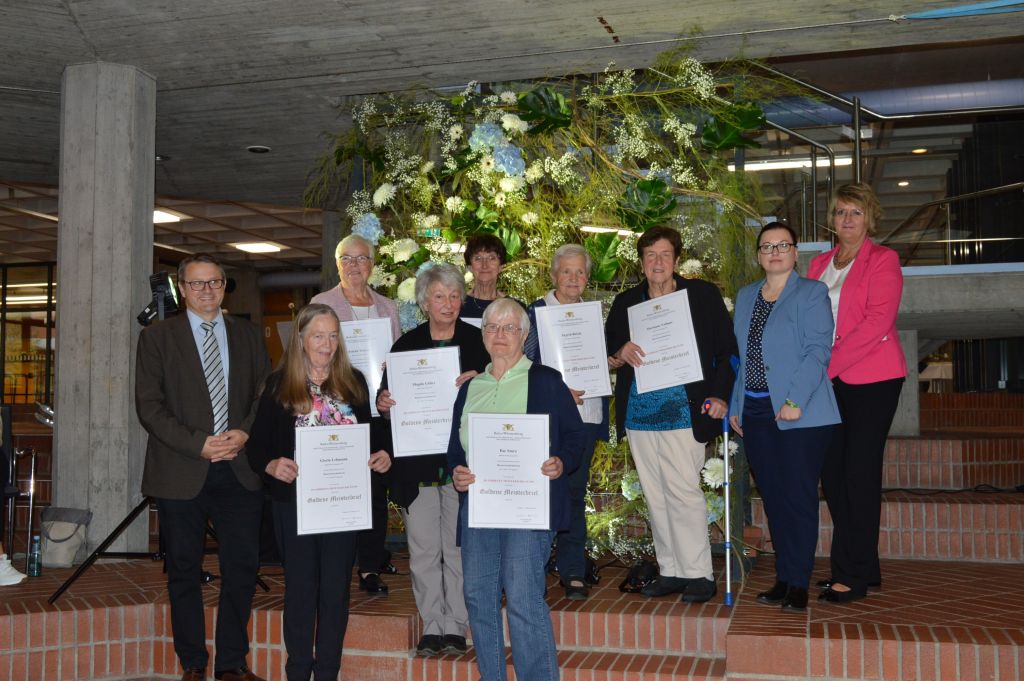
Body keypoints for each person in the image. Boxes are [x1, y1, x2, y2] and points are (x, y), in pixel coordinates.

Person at [135, 253, 271, 681]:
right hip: (181, 469)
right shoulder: (157, 337)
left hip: (240, 468)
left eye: (214, 282)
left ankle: (232, 662)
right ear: (182, 289)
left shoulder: (249, 334)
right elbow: (149, 408)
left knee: (242, 569)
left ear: (225, 285)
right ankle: (193, 662)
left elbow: (265, 394)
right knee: (183, 571)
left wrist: (245, 433)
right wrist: (200, 445)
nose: (207, 290)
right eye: (197, 284)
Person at [247, 304, 392, 681]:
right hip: (294, 506)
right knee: (300, 591)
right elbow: (257, 446)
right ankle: (297, 672)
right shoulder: (280, 386)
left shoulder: (355, 383)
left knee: (335, 593)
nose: (326, 344)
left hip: (343, 505)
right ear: (300, 339)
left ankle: (327, 672)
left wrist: (382, 455)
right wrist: (271, 465)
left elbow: (376, 438)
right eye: (318, 336)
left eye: (332, 335)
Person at [448, 298, 585, 681]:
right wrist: (457, 471)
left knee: (524, 599)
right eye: (492, 327)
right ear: (483, 334)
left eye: (510, 328)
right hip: (479, 506)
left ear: (524, 336)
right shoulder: (470, 386)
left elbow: (575, 437)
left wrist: (559, 462)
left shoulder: (545, 380)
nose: (500, 335)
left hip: (528, 508)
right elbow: (456, 447)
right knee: (478, 599)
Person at [604, 225, 737, 603]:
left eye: (664, 255)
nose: (657, 262)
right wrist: (620, 353)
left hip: (684, 408)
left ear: (676, 260)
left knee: (682, 491)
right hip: (640, 413)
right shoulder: (625, 303)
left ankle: (699, 573)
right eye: (649, 256)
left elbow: (727, 351)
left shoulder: (701, 295)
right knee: (654, 494)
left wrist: (720, 396)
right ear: (642, 263)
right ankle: (671, 569)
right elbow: (611, 356)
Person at [375, 263, 487, 656]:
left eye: (455, 296)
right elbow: (385, 400)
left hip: (461, 464)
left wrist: (483, 381)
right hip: (417, 466)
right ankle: (432, 625)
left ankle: (456, 626)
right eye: (439, 296)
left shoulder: (479, 343)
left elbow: (502, 390)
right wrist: (384, 404)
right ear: (424, 302)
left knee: (457, 549)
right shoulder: (405, 346)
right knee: (423, 550)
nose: (449, 303)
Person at [729, 222, 840, 612]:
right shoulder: (745, 297)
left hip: (801, 411)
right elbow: (742, 359)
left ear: (795, 253)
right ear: (759, 255)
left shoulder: (811, 293)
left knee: (797, 498)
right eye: (767, 246)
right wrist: (736, 403)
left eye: (783, 245)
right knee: (774, 499)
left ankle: (798, 583)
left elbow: (817, 352)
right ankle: (782, 578)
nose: (774, 251)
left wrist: (794, 400)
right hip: (756, 410)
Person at [807, 183, 907, 603]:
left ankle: (853, 574)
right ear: (831, 219)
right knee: (833, 475)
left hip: (873, 380)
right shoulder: (817, 264)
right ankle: (865, 563)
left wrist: (822, 369)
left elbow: (875, 324)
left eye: (855, 213)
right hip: (827, 381)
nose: (846, 220)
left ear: (870, 218)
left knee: (858, 475)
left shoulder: (884, 260)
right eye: (840, 212)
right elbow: (806, 319)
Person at [311, 233, 400, 596]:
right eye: (347, 259)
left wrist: (389, 390)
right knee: (339, 484)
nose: (354, 266)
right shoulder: (322, 302)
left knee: (375, 488)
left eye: (362, 259)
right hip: (336, 409)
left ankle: (368, 565)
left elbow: (395, 358)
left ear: (372, 265)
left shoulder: (387, 307)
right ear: (337, 264)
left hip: (376, 410)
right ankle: (333, 560)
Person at [523, 244, 610, 600]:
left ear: (587, 278)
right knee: (540, 492)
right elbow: (522, 365)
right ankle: (534, 567)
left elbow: (599, 361)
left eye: (580, 272)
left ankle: (573, 570)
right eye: (566, 272)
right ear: (553, 274)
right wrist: (557, 392)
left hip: (585, 417)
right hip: (545, 419)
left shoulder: (593, 314)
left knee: (574, 493)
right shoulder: (535, 313)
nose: (573, 278)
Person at [459, 233, 511, 319]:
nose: (484, 265)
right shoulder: (456, 306)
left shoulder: (515, 307)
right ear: (470, 267)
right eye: (478, 258)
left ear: (501, 266)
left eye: (491, 258)